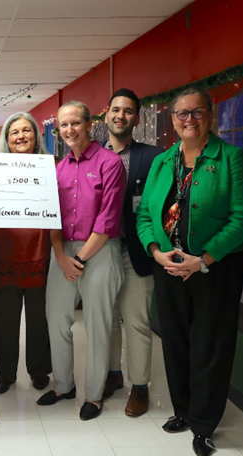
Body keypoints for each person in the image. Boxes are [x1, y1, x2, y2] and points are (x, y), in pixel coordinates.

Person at [136, 88, 243, 456]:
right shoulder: (163, 162)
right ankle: (183, 410)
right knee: (174, 343)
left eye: (197, 112)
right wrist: (156, 252)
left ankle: (203, 426)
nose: (189, 119)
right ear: (172, 120)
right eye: (181, 114)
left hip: (213, 271)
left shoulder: (231, 158)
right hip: (169, 268)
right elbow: (144, 215)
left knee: (210, 347)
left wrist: (202, 260)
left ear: (210, 116)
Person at [37, 101, 126, 421]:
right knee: (57, 320)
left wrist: (79, 258)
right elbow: (51, 218)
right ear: (58, 130)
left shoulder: (110, 162)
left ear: (90, 125)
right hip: (62, 253)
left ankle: (94, 394)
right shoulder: (56, 170)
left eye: (75, 123)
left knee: (98, 325)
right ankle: (63, 386)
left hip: (100, 251)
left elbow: (108, 218)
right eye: (63, 125)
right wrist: (61, 256)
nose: (70, 130)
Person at [101, 88, 163, 416]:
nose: (120, 115)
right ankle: (113, 375)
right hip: (101, 250)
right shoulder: (93, 155)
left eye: (128, 111)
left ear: (136, 118)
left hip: (137, 252)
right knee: (107, 319)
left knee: (136, 320)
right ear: (106, 114)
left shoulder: (154, 157)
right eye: (116, 109)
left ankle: (139, 387)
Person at [0, 112, 52, 394]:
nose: (21, 136)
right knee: (4, 321)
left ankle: (39, 370)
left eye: (27, 130)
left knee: (40, 319)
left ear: (37, 135)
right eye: (14, 132)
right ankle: (5, 372)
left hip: (40, 252)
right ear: (6, 139)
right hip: (3, 252)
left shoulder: (51, 167)